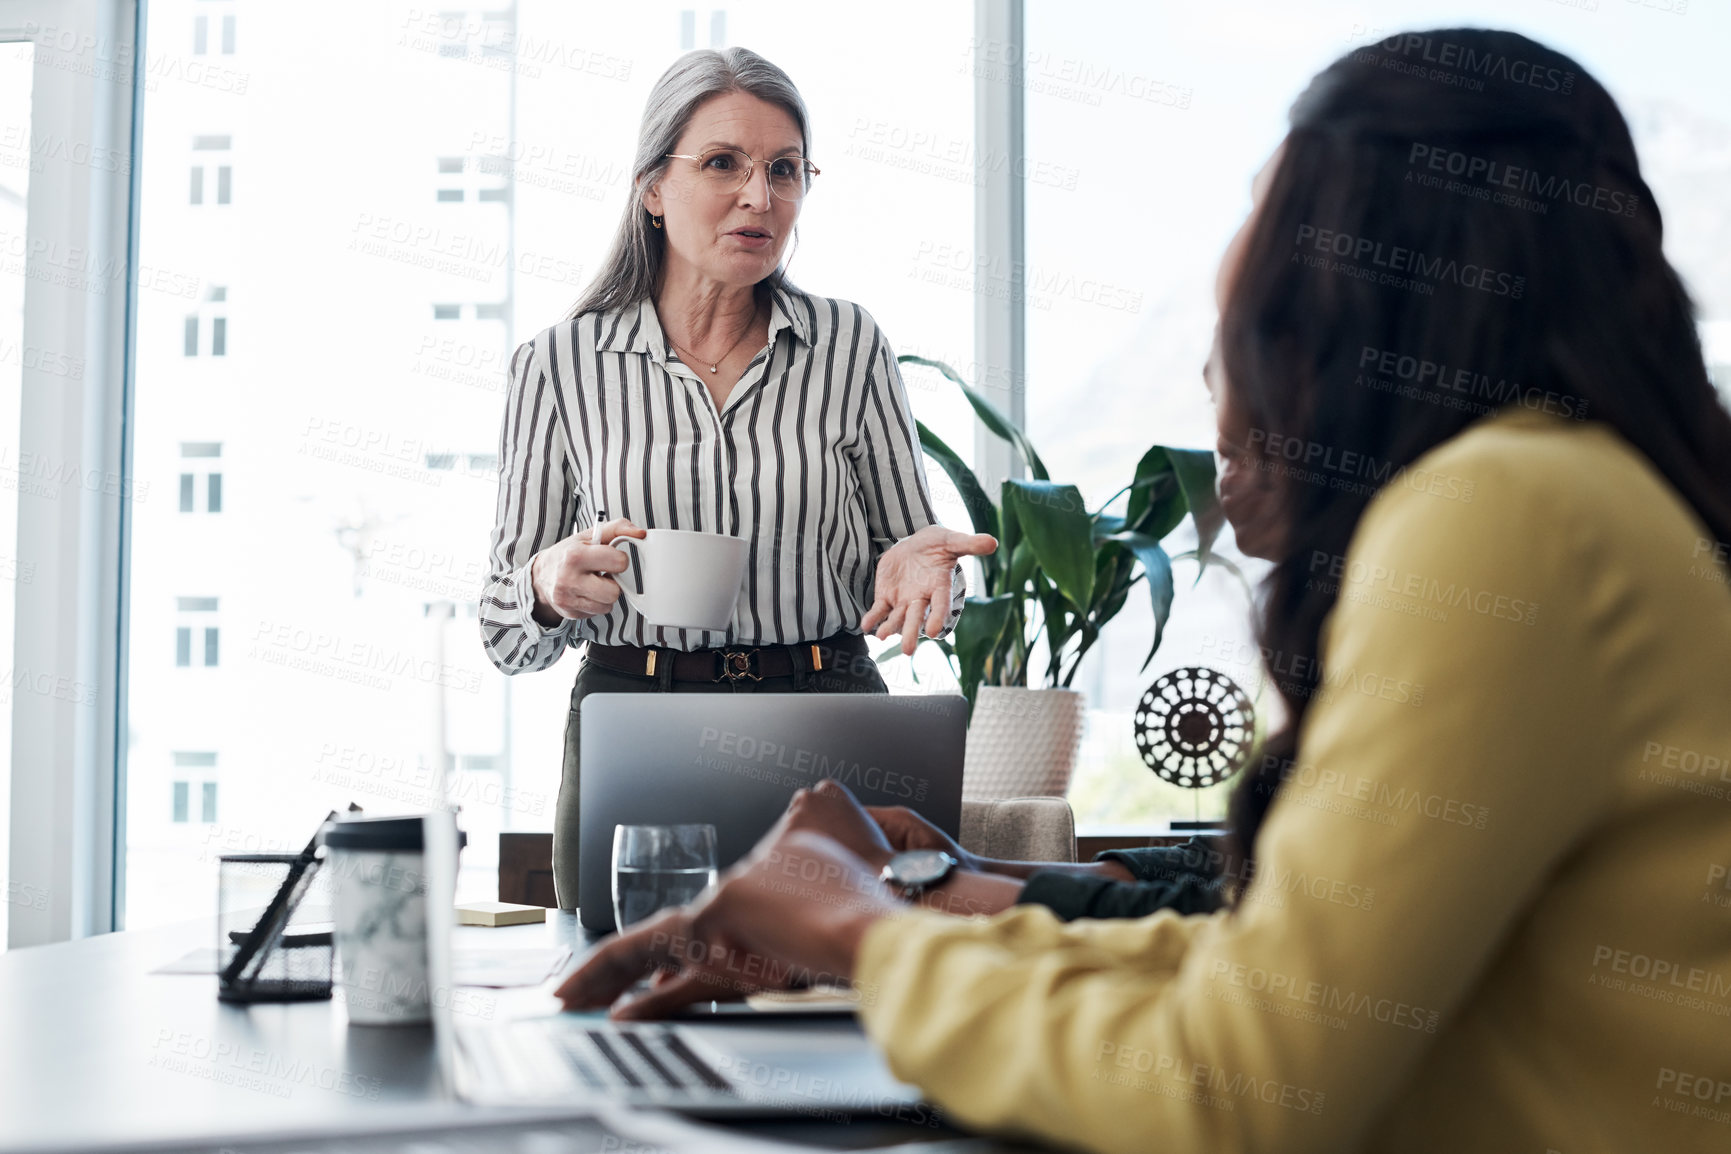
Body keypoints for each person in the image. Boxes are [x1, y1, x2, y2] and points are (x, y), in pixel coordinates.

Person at [556, 29, 1731, 1153]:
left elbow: (1242, 1075)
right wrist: (931, 910)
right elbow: (1268, 971)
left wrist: (864, 934)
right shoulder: (1586, 491)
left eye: (1272, 193)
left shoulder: (1508, 511)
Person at [477, 47, 995, 908]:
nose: (761, 196)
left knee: (851, 998)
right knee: (626, 994)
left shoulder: (849, 344)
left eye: (784, 171)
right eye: (723, 163)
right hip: (636, 719)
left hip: (829, 714)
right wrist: (542, 586)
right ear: (651, 188)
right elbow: (505, 637)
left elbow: (910, 563)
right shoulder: (557, 364)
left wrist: (921, 572)